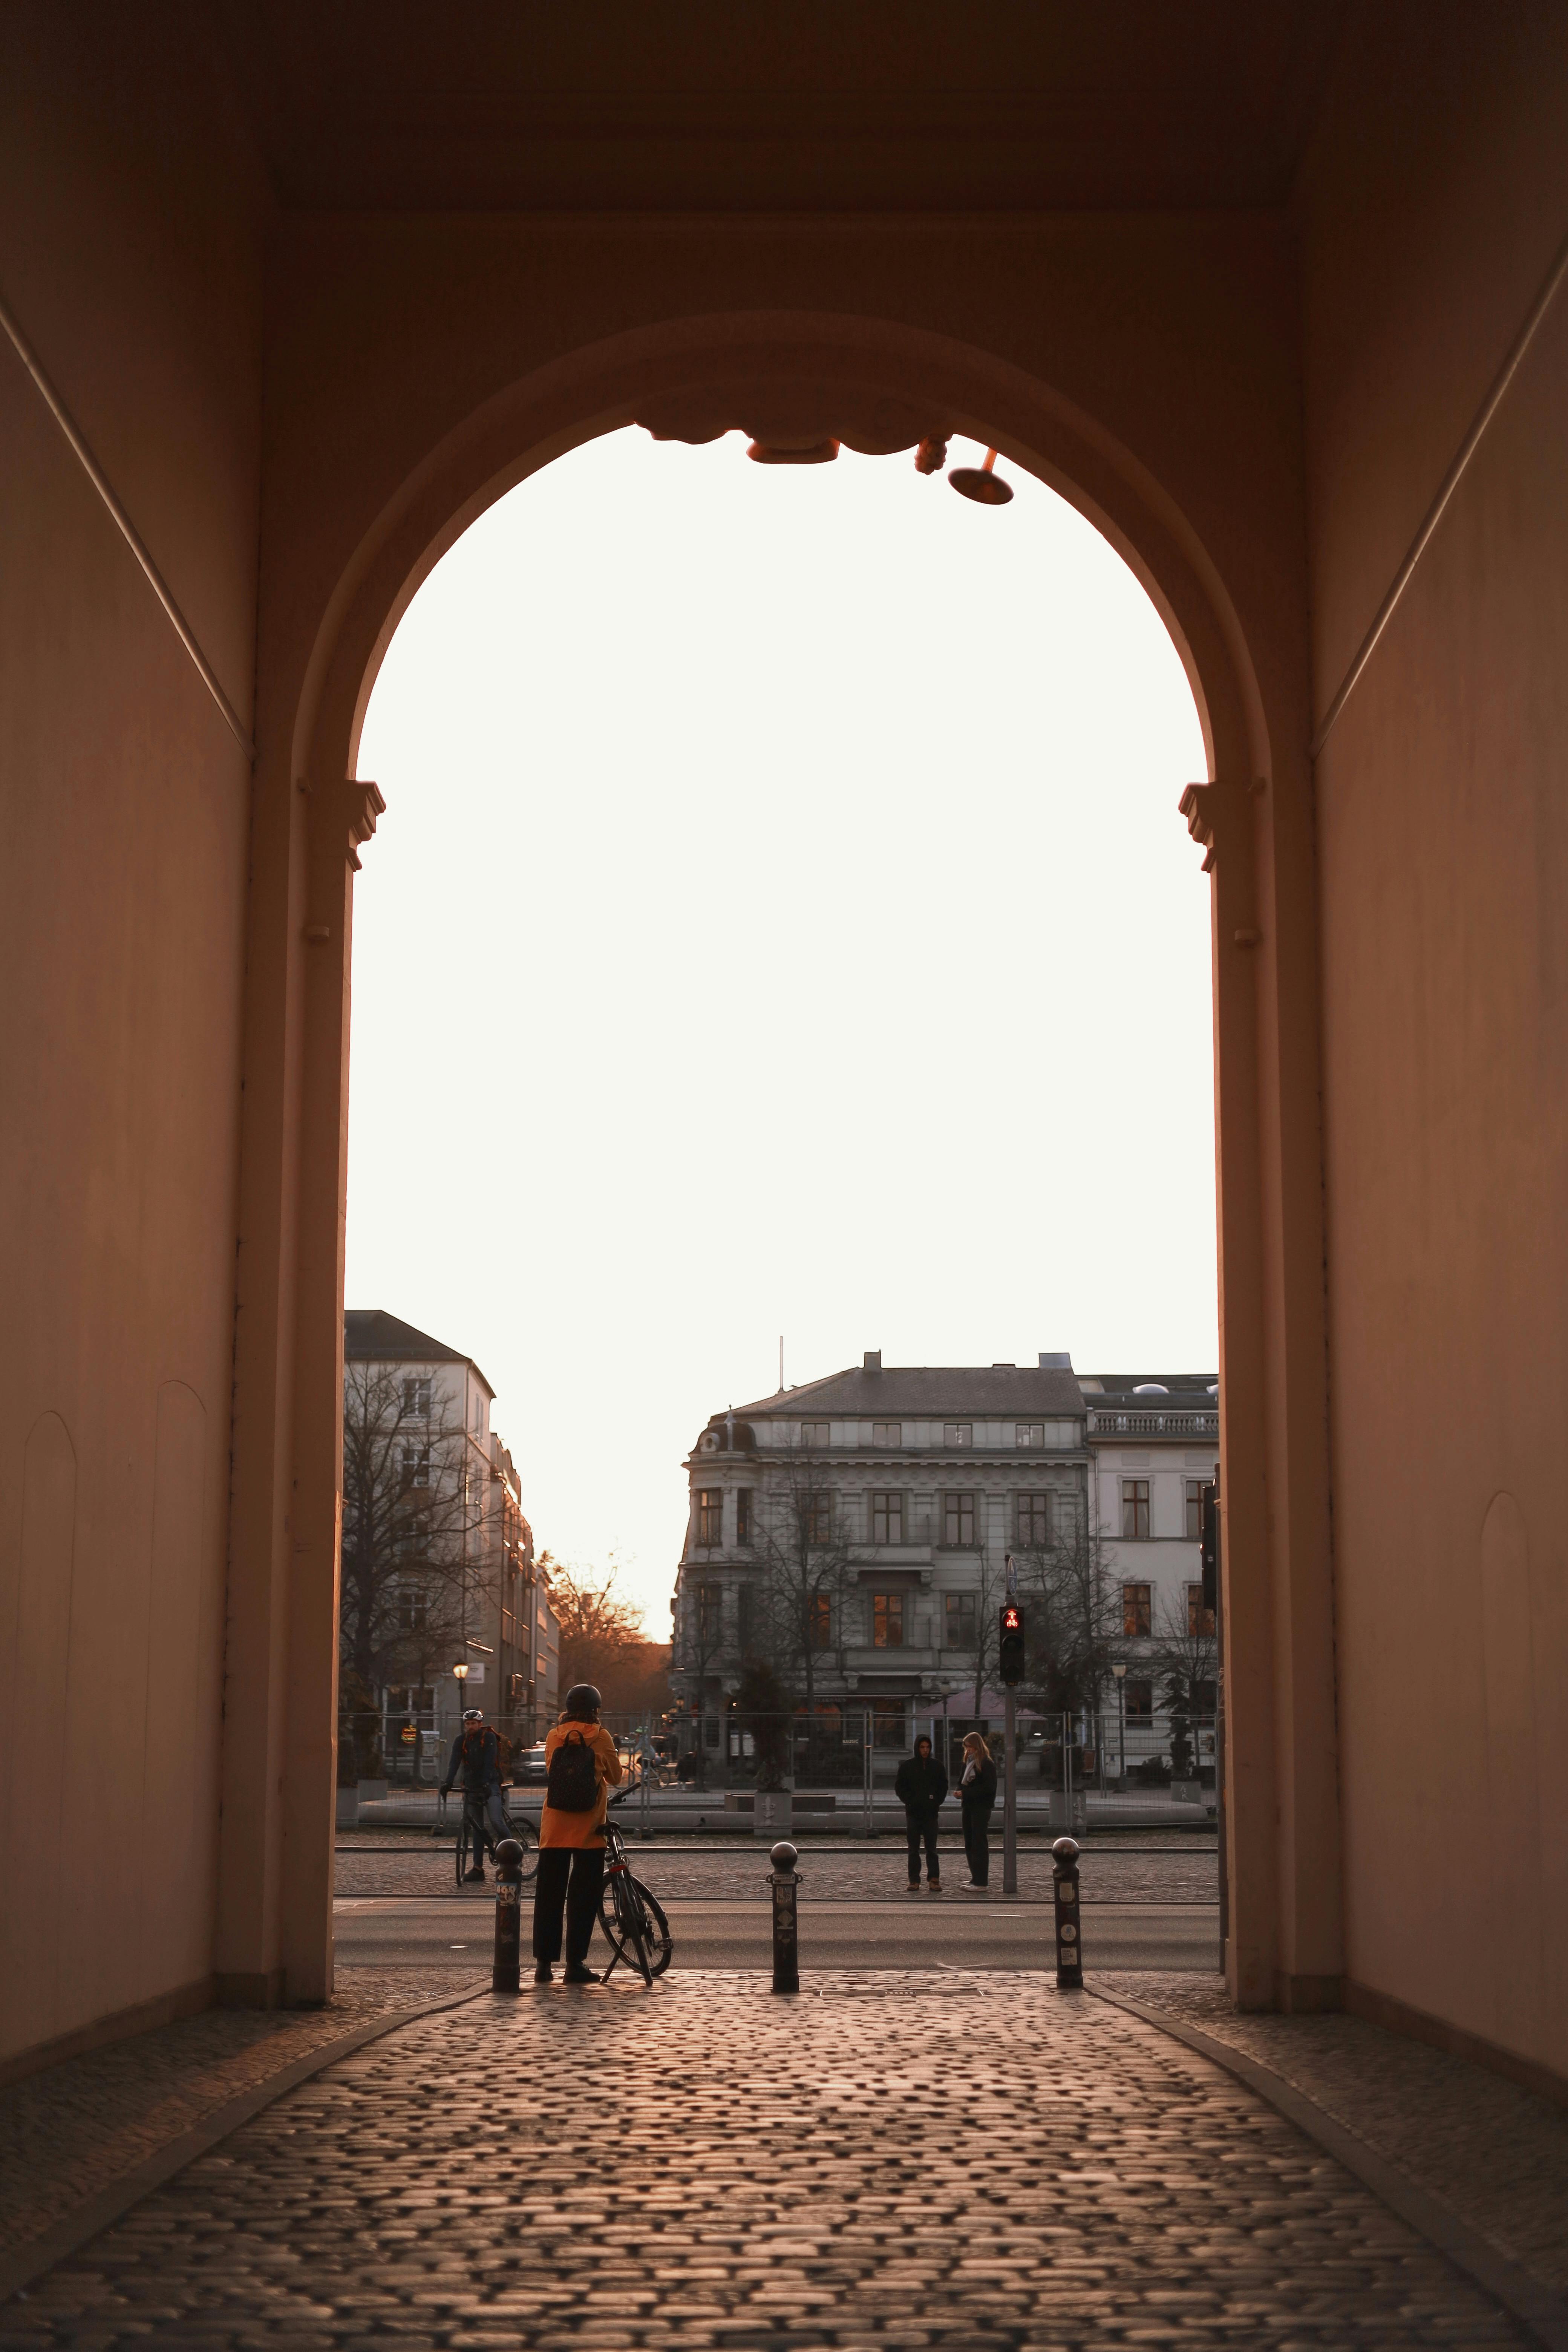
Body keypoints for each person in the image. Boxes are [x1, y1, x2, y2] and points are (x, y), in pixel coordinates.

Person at [532, 1682, 623, 1984]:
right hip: (589, 1829)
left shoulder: (553, 1737)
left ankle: (544, 1966)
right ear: (596, 1710)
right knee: (582, 1899)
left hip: (554, 1829)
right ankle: (575, 1965)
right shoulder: (602, 1736)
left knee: (549, 1897)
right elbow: (617, 1776)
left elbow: (551, 1771)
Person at [440, 1706, 501, 1882]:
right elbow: (454, 1763)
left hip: (490, 1784)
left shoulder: (488, 1738)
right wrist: (448, 1782)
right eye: (467, 1724)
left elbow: (490, 1762)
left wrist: (486, 1782)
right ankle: (478, 1869)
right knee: (477, 1828)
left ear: (480, 1724)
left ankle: (511, 1854)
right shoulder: (461, 1741)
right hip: (472, 1787)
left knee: (496, 1821)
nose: (470, 1726)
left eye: (473, 1723)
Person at [894, 1734, 948, 1891]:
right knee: (914, 1849)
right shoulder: (907, 1766)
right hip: (914, 1813)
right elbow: (900, 1787)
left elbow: (943, 1786)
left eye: (928, 1747)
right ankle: (914, 1879)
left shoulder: (937, 1766)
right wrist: (909, 1801)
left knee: (932, 1849)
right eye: (922, 1747)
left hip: (931, 1813)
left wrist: (936, 1802)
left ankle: (934, 1878)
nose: (925, 1750)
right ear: (917, 1748)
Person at [958, 1730, 997, 1892]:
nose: (968, 1751)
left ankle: (982, 1881)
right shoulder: (968, 1763)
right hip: (968, 1806)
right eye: (967, 1747)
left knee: (979, 1843)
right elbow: (962, 1781)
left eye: (971, 1747)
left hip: (981, 1808)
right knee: (970, 1842)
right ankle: (975, 1878)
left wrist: (965, 1792)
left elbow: (988, 1788)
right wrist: (959, 1791)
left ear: (977, 1747)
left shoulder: (987, 1764)